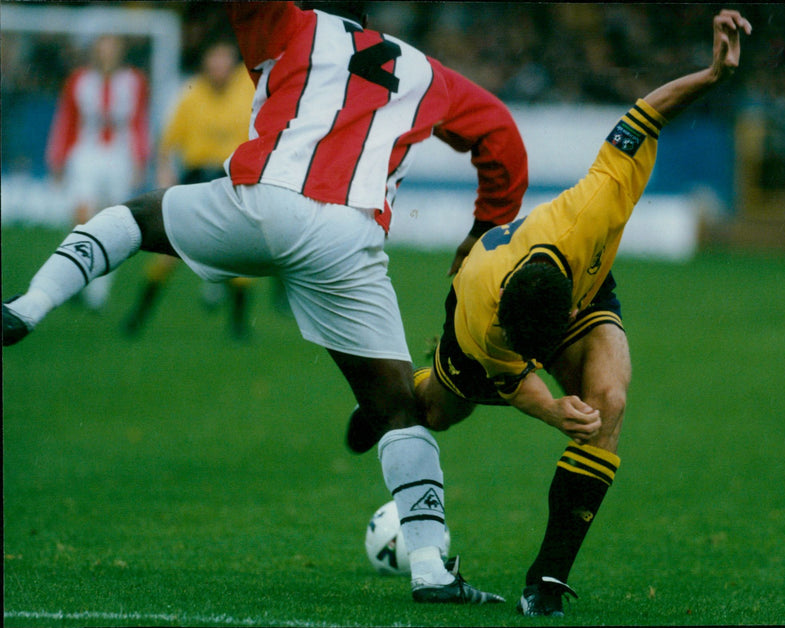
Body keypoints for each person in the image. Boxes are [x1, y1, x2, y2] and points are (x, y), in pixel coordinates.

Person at [2, 1, 528, 605]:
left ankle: (28, 306)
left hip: (262, 202)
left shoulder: (290, 22)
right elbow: (502, 136)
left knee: (133, 217)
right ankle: (432, 568)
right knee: (397, 410)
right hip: (348, 236)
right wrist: (484, 227)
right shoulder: (429, 72)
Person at [358, 8, 750, 618]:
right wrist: (550, 407)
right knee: (433, 411)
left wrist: (712, 74)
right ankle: (384, 401)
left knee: (606, 405)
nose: (546, 363)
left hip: (586, 293)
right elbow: (516, 380)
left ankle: (545, 581)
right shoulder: (486, 312)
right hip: (473, 325)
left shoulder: (595, 204)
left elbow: (645, 113)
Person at [122, 40, 258, 340]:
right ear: (205, 63)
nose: (219, 66)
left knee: (241, 250)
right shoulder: (191, 94)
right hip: (196, 177)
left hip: (231, 178)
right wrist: (165, 169)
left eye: (224, 59)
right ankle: (136, 318)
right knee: (168, 254)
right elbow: (167, 143)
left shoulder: (248, 90)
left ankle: (238, 327)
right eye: (214, 58)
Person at [45, 33, 149, 311]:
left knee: (115, 222)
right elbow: (67, 118)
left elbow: (140, 120)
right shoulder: (79, 80)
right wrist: (57, 157)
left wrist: (140, 159)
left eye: (112, 48)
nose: (107, 54)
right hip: (86, 153)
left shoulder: (134, 81)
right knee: (81, 216)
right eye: (103, 48)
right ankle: (77, 280)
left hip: (120, 156)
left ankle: (97, 290)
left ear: (120, 51)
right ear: (95, 51)